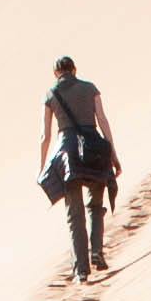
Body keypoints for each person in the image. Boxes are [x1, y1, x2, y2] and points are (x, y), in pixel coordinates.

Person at [39, 54, 119, 280]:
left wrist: (42, 166)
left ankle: (81, 270)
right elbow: (103, 120)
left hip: (67, 157)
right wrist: (113, 153)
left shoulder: (51, 94)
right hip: (94, 150)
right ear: (74, 70)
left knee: (75, 214)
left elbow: (45, 135)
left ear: (56, 74)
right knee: (95, 204)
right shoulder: (90, 88)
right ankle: (96, 252)